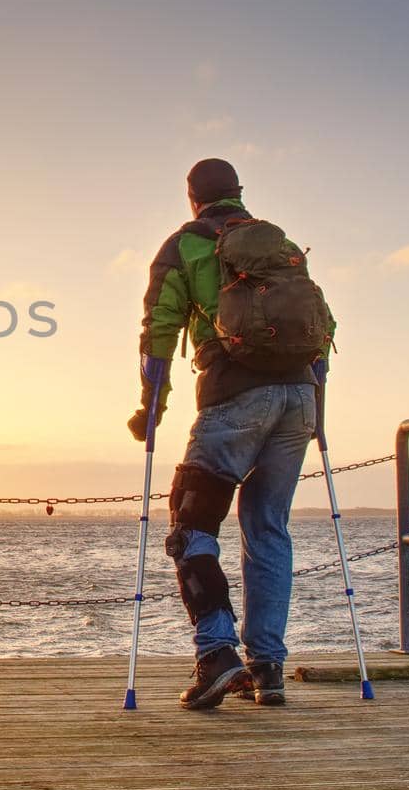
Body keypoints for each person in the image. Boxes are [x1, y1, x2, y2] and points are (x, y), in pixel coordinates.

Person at [129, 158, 333, 709]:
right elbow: (323, 325)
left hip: (233, 396)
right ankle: (268, 668)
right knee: (267, 528)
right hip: (298, 399)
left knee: (191, 523)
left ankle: (216, 654)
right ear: (238, 194)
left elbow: (160, 330)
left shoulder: (185, 246)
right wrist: (317, 408)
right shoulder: (278, 244)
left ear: (192, 197)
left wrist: (152, 406)